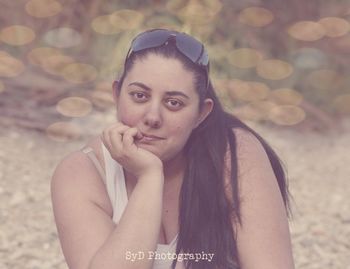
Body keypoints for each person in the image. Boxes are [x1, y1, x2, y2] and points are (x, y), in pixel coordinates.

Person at [51, 28, 295, 269]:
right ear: (116, 94)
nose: (153, 117)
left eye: (173, 103)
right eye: (139, 96)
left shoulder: (235, 154)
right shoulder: (82, 172)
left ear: (201, 113)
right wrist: (149, 177)